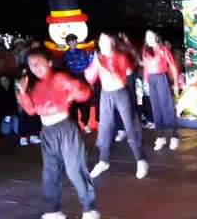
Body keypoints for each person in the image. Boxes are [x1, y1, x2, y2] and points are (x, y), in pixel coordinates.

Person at [16, 48, 99, 219]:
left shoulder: (60, 78)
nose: (34, 67)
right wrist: (22, 92)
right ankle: (52, 211)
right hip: (47, 132)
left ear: (50, 62)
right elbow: (31, 111)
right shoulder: (35, 86)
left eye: (38, 62)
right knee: (50, 173)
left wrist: (71, 94)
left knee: (74, 170)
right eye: (31, 64)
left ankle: (89, 210)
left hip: (65, 128)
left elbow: (84, 93)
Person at [86, 32, 149, 179]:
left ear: (112, 43)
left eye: (105, 41)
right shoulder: (97, 58)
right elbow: (90, 77)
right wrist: (95, 64)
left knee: (130, 127)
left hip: (121, 93)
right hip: (105, 95)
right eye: (100, 41)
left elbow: (126, 73)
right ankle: (103, 161)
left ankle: (141, 160)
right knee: (104, 128)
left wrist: (110, 67)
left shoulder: (120, 57)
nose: (101, 44)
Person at [143, 29, 181, 150]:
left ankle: (174, 136)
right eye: (147, 37)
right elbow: (145, 68)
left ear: (156, 37)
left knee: (167, 108)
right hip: (152, 80)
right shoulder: (146, 51)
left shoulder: (163, 49)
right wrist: (145, 82)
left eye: (151, 36)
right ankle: (160, 137)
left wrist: (176, 84)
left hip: (162, 79)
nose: (148, 39)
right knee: (156, 109)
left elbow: (173, 66)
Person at [62, 34, 94, 133]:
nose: (73, 43)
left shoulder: (83, 52)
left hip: (82, 79)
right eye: (71, 41)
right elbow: (65, 69)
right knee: (73, 105)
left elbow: (87, 65)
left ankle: (85, 124)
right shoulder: (65, 55)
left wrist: (89, 80)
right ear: (68, 43)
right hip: (71, 80)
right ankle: (75, 126)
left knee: (85, 102)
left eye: (75, 40)